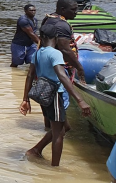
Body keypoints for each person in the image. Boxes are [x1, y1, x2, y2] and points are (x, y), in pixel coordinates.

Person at [20, 23, 91, 166]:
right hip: (54, 96)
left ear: (41, 37)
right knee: (59, 132)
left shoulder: (38, 52)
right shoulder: (55, 53)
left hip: (42, 95)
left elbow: (29, 75)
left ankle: (36, 150)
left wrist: (25, 99)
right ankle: (55, 168)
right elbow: (62, 76)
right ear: (57, 37)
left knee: (65, 127)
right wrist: (80, 100)